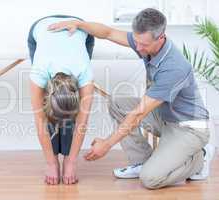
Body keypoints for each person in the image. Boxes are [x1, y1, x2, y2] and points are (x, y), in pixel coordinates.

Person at [48, 8, 215, 189]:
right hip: (166, 117)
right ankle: (142, 161)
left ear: (161, 38)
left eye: (143, 44)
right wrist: (80, 24)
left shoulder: (174, 67)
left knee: (150, 179)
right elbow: (108, 32)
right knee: (117, 102)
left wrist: (106, 144)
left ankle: (201, 158)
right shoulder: (144, 41)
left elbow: (138, 114)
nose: (138, 47)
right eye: (136, 41)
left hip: (188, 128)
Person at [28, 15, 95, 185]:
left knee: (68, 119)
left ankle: (66, 156)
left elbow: (82, 122)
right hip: (41, 26)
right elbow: (40, 121)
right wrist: (51, 163)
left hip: (80, 26)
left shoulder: (84, 72)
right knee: (50, 117)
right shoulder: (39, 73)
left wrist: (71, 162)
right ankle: (55, 158)